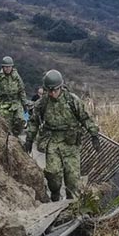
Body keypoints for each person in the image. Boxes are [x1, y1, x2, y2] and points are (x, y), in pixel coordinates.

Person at [24, 69, 102, 201]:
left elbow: (85, 118)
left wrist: (94, 135)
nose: (52, 93)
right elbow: (33, 122)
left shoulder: (72, 101)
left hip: (70, 144)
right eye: (49, 91)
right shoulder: (43, 103)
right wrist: (29, 140)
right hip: (53, 143)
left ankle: (72, 205)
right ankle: (55, 195)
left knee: (72, 180)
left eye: (55, 90)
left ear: (60, 87)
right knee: (53, 175)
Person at [0, 56, 28, 136]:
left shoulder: (16, 77)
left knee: (20, 120)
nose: (7, 69)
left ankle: (16, 135)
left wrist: (25, 104)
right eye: (6, 67)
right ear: (3, 67)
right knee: (6, 125)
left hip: (16, 102)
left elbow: (21, 90)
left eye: (9, 67)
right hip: (4, 104)